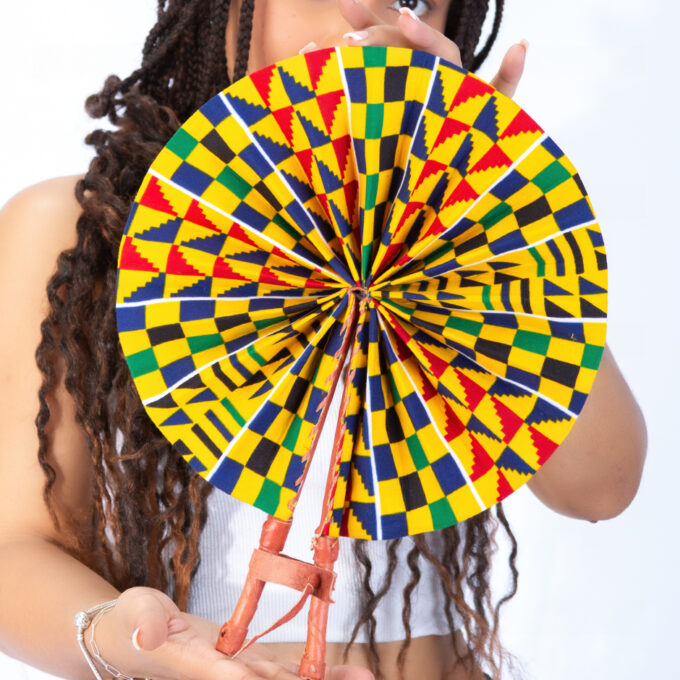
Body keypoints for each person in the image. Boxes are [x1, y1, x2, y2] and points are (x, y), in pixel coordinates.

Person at [0, 1, 648, 679]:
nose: (361, 28)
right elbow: (15, 550)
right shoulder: (80, 232)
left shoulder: (459, 240)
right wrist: (127, 638)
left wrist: (484, 191)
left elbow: (600, 487)